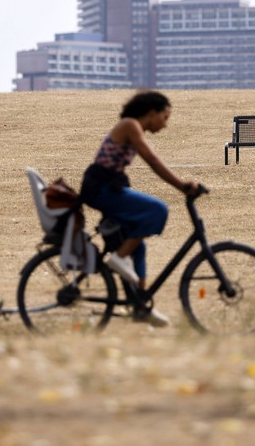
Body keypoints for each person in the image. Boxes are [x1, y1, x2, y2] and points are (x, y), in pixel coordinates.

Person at [80, 91, 198, 327]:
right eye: (165, 117)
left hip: (108, 188)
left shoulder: (133, 127)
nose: (165, 125)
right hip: (101, 189)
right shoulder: (130, 125)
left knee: (138, 246)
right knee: (158, 210)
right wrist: (181, 185)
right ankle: (119, 257)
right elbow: (152, 159)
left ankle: (139, 306)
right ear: (152, 112)